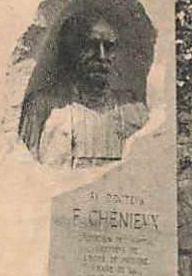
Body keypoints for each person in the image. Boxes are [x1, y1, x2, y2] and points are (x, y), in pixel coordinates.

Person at [19, 10, 149, 168]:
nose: (101, 56)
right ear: (71, 50)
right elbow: (24, 174)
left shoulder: (135, 112)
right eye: (90, 45)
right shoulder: (41, 107)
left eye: (109, 47)